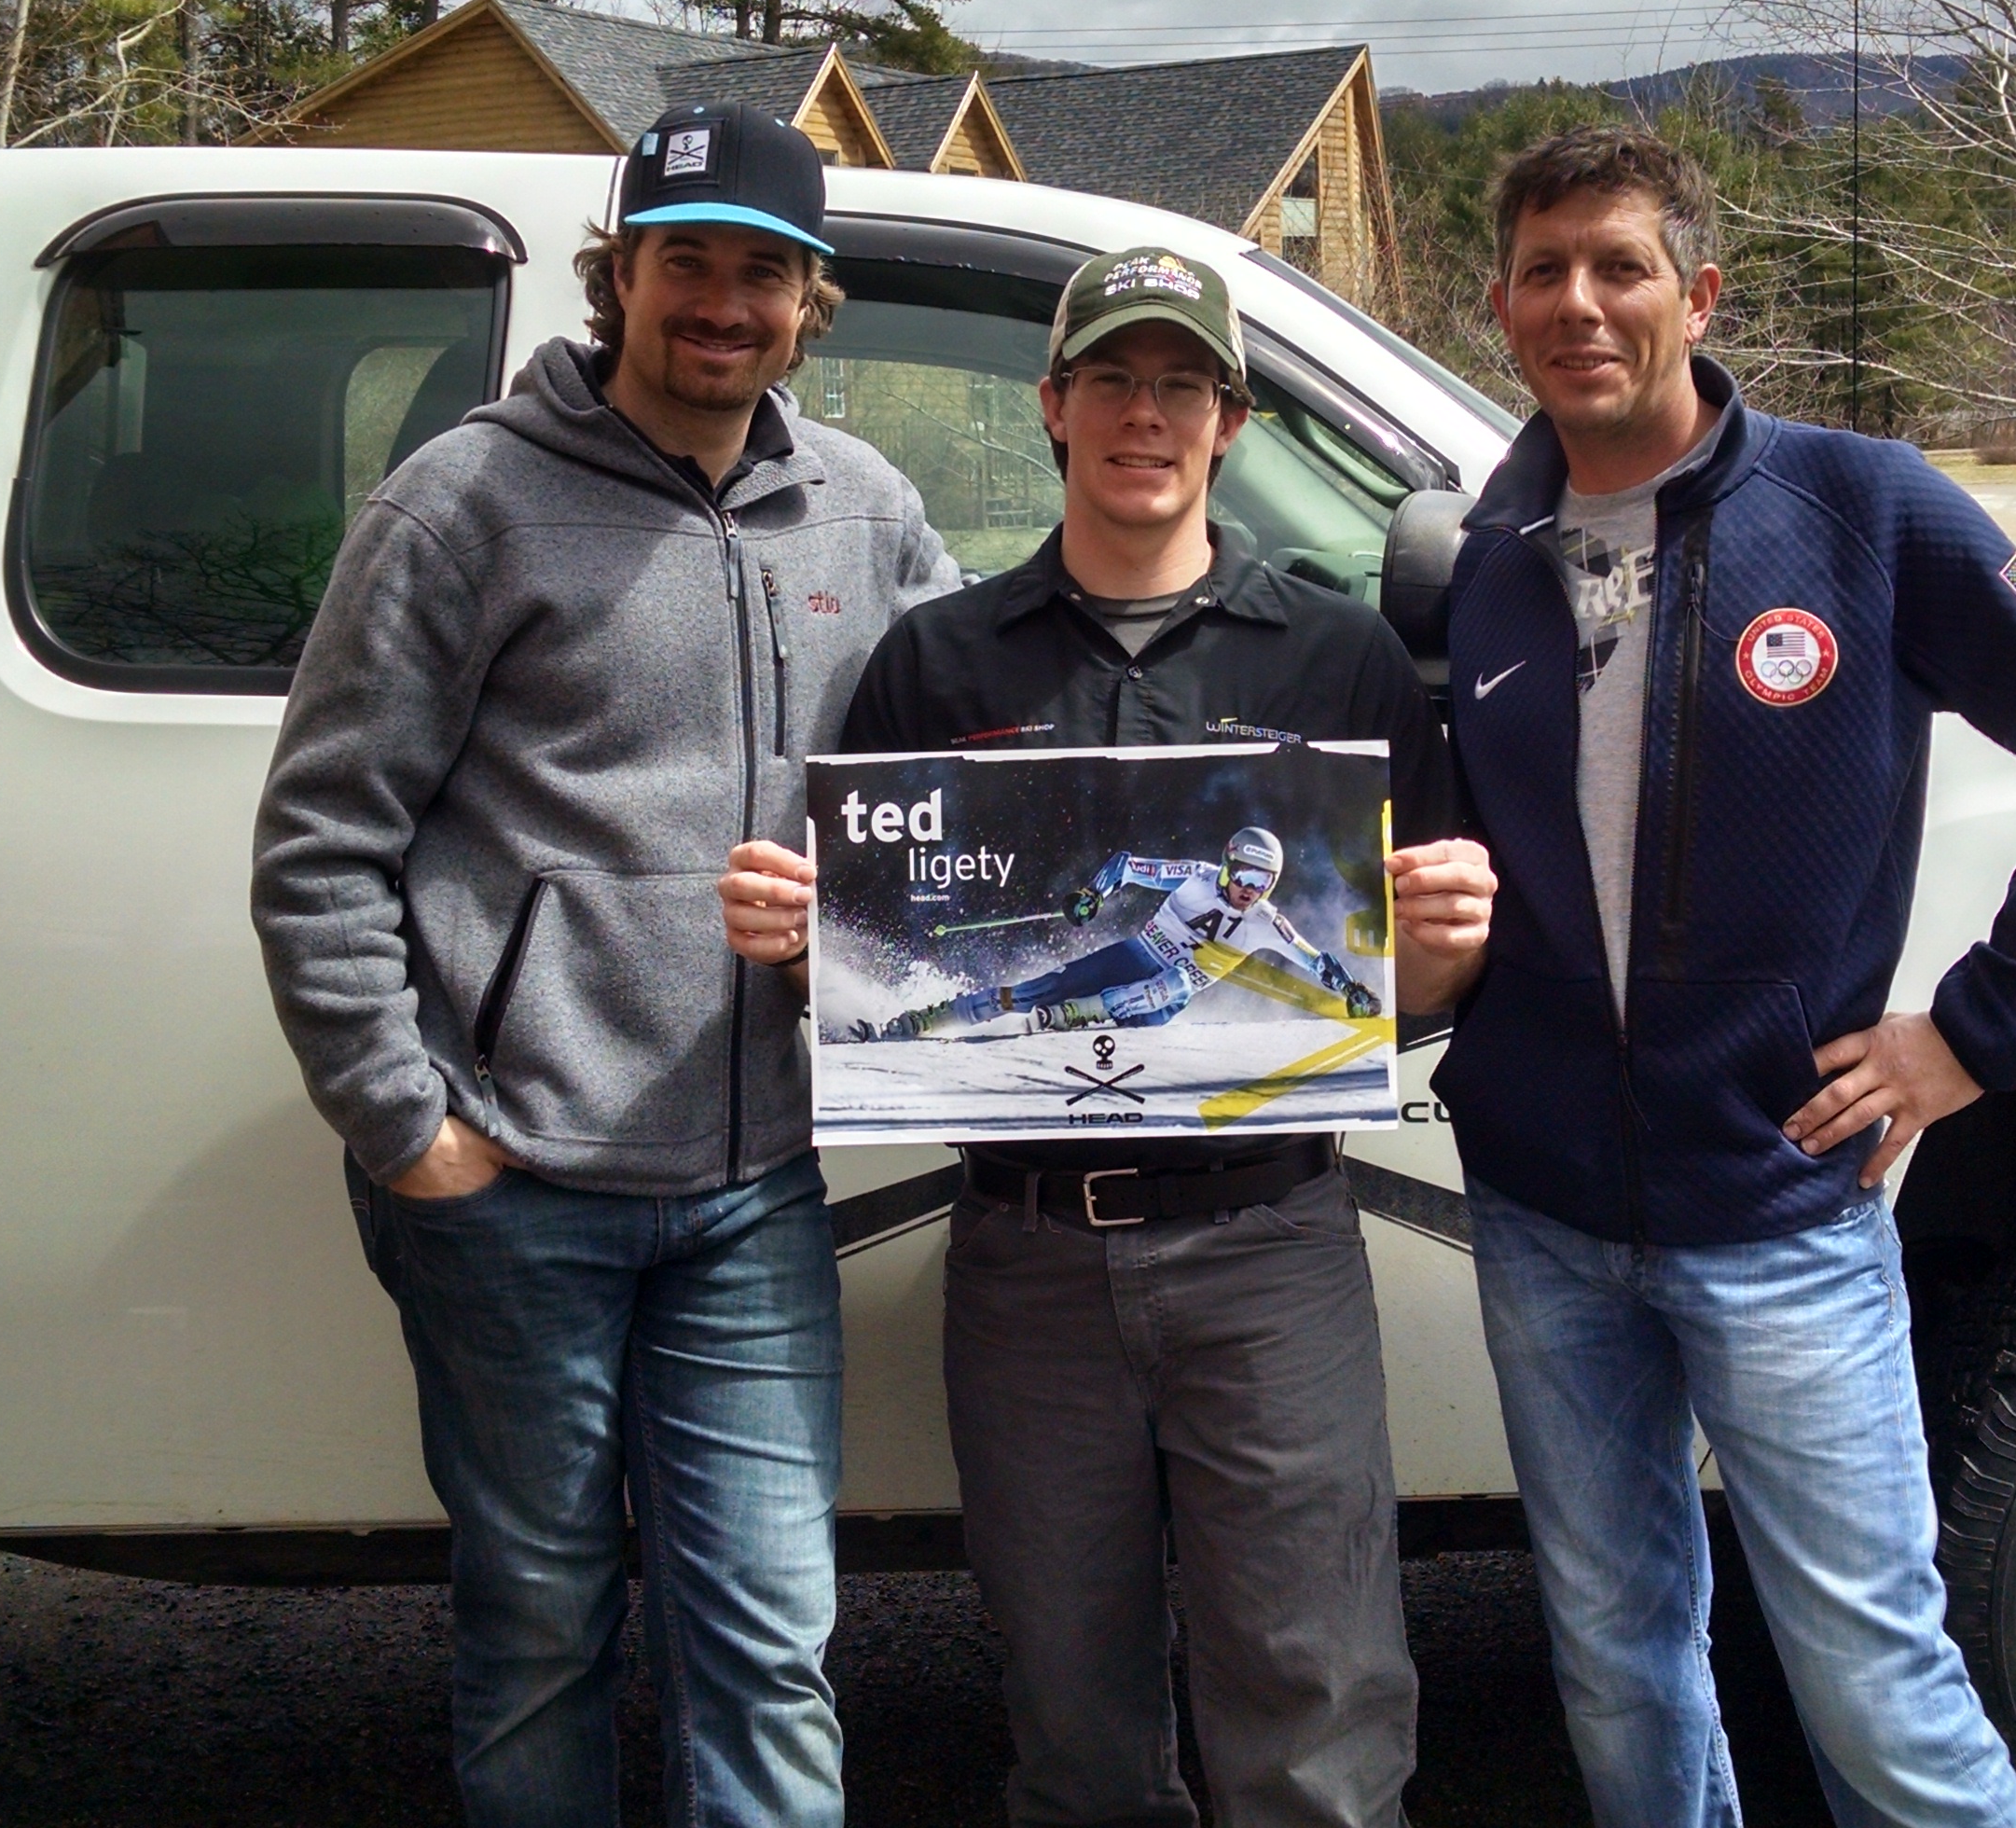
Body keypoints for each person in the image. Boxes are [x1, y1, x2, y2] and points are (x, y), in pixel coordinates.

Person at [1430, 124, 2016, 1828]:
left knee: (1875, 1680)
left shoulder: (1862, 510)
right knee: (1619, 1654)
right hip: (1547, 1216)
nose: (1581, 303)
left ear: (1697, 293)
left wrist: (1972, 1036)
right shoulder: (1485, 560)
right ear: (1500, 309)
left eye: (1620, 265)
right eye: (1544, 271)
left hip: (1782, 1209)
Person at [720, 246, 1498, 1828]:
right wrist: (801, 948)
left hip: (1269, 1238)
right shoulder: (943, 661)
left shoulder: (1335, 660)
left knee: (1315, 1693)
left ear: (1230, 421)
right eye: (1117, 382)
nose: (1148, 414)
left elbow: (1391, 996)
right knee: (1071, 1706)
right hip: (1026, 1258)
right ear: (1055, 407)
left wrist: (1441, 960)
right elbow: (866, 971)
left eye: (1184, 385)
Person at [252, 103, 956, 1828]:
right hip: (517, 1184)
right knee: (543, 1624)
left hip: (754, 1186)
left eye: (762, 273)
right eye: (686, 263)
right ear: (618, 275)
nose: (723, 303)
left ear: (814, 299)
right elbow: (320, 841)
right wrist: (407, 1125)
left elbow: (980, 754)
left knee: (771, 1638)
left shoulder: (864, 510)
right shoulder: (463, 501)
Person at [868, 824, 1381, 1038]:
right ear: (1227, 866)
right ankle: (929, 1019)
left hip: (1160, 999)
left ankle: (1072, 1017)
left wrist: (1352, 989)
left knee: (1180, 981)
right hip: (1132, 957)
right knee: (1031, 991)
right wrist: (1093, 896)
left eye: (1262, 882)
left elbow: (1314, 959)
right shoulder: (1196, 877)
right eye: (1244, 876)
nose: (1250, 890)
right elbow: (1128, 864)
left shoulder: (1266, 921)